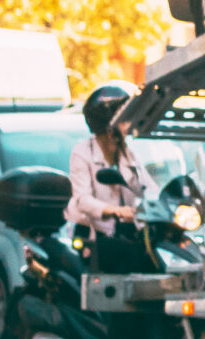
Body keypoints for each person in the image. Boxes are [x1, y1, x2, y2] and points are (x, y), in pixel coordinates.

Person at [65, 84, 155, 275]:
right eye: (124, 119)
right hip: (97, 235)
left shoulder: (128, 152)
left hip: (128, 232)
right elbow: (83, 199)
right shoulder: (82, 152)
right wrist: (116, 211)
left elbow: (146, 186)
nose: (128, 124)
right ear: (110, 126)